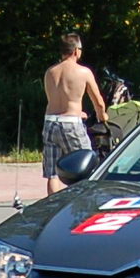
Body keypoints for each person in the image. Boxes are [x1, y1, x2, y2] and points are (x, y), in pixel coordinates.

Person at [41, 31, 107, 194]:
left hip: (50, 122)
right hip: (71, 125)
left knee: (53, 173)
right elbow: (97, 100)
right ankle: (82, 201)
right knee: (85, 164)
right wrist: (102, 115)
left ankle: (53, 205)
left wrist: (79, 112)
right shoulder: (83, 72)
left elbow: (57, 99)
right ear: (76, 51)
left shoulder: (50, 72)